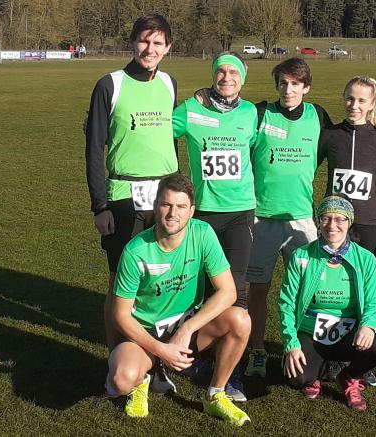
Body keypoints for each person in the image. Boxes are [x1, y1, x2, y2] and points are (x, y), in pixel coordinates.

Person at [241, 58, 376, 378]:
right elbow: (227, 122)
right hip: (262, 217)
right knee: (258, 290)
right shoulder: (258, 113)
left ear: (306, 87)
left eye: (296, 83)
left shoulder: (317, 116)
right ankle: (256, 351)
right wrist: (204, 95)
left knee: (319, 287)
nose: (289, 89)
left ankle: (322, 349)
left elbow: (347, 137)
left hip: (303, 220)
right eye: (283, 82)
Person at [106, 174, 252, 426]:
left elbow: (228, 291)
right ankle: (143, 380)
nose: (173, 213)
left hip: (186, 327)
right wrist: (161, 350)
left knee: (240, 320)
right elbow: (120, 315)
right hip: (146, 333)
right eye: (166, 205)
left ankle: (215, 394)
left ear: (192, 211)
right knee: (121, 380)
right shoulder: (135, 250)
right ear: (156, 206)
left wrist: (187, 328)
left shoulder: (203, 233)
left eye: (181, 206)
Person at [84, 14, 177, 349]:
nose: (149, 49)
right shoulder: (110, 84)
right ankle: (116, 358)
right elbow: (94, 149)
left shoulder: (169, 83)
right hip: (124, 195)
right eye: (143, 40)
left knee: (161, 280)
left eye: (157, 43)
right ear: (133, 42)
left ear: (167, 47)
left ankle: (153, 356)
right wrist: (99, 206)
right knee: (120, 285)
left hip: (165, 196)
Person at [171, 51, 256, 401]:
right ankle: (199, 356)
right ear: (213, 75)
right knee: (201, 290)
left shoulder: (251, 113)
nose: (226, 77)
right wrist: (105, 122)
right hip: (202, 214)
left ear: (242, 78)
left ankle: (231, 372)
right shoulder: (190, 110)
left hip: (239, 213)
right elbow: (157, 129)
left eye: (233, 72)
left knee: (235, 292)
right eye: (220, 71)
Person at [319, 76, 376, 386]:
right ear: (344, 98)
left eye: (362, 101)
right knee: (334, 293)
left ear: (372, 104)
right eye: (350, 99)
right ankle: (334, 357)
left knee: (364, 293)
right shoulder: (330, 136)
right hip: (333, 227)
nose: (354, 105)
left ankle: (362, 360)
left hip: (367, 227)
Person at [277, 195, 376, 411]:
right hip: (310, 332)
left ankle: (348, 377)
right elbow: (286, 302)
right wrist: (291, 343)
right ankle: (315, 373)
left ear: (349, 222)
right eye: (326, 218)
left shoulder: (365, 259)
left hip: (349, 336)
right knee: (296, 379)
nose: (332, 225)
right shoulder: (302, 255)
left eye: (340, 219)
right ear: (318, 221)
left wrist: (368, 325)